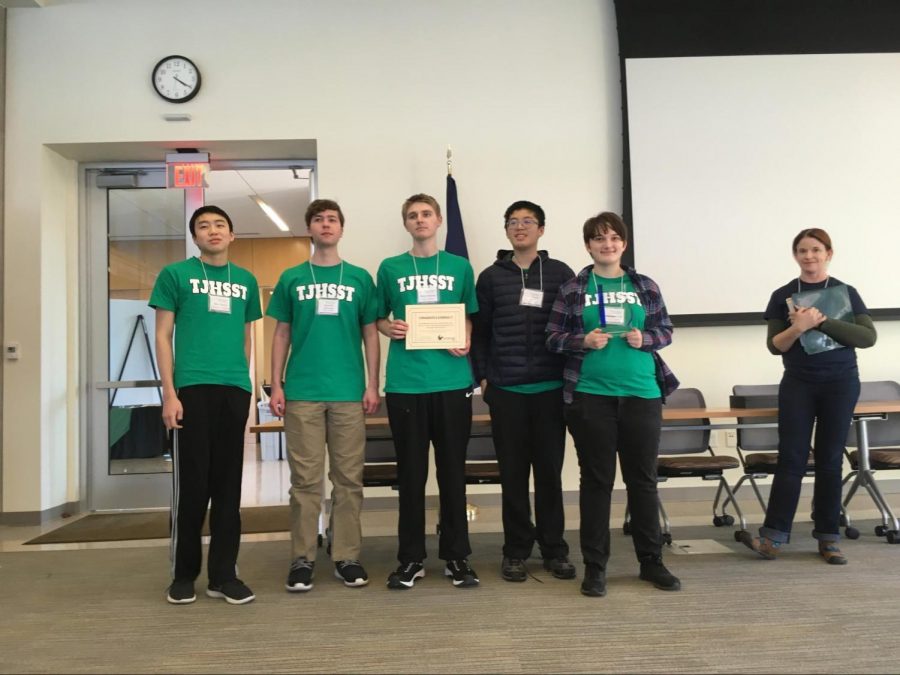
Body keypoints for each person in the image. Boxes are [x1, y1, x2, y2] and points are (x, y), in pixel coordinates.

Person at [545, 211, 681, 597]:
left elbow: (666, 329)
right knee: (597, 482)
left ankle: (651, 562)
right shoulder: (575, 288)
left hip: (642, 394)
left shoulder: (644, 284)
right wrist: (581, 341)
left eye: (614, 238)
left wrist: (647, 338)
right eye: (599, 238)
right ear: (588, 245)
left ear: (623, 243)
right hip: (590, 396)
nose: (607, 244)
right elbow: (552, 336)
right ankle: (595, 566)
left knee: (643, 481)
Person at [743, 228, 876, 564]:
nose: (809, 256)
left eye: (816, 250)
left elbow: (866, 337)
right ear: (795, 256)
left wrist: (821, 322)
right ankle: (773, 536)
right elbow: (776, 346)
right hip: (799, 383)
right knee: (792, 458)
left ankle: (828, 537)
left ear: (828, 253)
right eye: (802, 251)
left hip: (841, 383)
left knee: (831, 459)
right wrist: (798, 327)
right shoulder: (783, 295)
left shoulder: (845, 292)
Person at [151, 205, 262, 605]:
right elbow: (163, 335)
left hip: (233, 391)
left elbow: (246, 336)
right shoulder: (175, 275)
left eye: (219, 225)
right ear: (195, 237)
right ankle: (184, 575)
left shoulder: (246, 280)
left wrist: (244, 384)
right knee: (192, 489)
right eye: (203, 226)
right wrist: (169, 393)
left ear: (232, 235)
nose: (212, 231)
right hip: (191, 390)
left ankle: (223, 575)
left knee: (229, 489)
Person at [267, 199, 380, 592]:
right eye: (319, 220)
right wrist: (276, 383)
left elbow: (370, 333)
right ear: (310, 229)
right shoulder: (292, 277)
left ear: (341, 229)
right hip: (302, 393)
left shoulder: (360, 278)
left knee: (349, 479)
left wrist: (372, 384)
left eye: (332, 219)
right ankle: (302, 557)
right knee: (305, 481)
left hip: (349, 393)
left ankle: (346, 554)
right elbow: (281, 332)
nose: (326, 225)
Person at [376, 193, 480, 589]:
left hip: (452, 383)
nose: (420, 220)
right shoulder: (390, 267)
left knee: (453, 473)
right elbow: (377, 318)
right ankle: (411, 559)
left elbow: (468, 317)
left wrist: (465, 339)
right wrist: (390, 328)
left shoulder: (459, 266)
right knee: (412, 475)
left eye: (426, 214)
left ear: (438, 221)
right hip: (405, 385)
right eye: (412, 215)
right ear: (406, 223)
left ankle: (457, 557)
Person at [471, 200, 576, 583]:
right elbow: (479, 333)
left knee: (549, 475)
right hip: (506, 390)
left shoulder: (562, 273)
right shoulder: (490, 277)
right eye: (513, 222)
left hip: (550, 392)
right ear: (506, 230)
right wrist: (483, 378)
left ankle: (554, 550)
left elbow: (573, 327)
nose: (520, 228)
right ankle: (515, 551)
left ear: (541, 230)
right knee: (513, 476)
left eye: (527, 222)